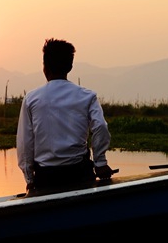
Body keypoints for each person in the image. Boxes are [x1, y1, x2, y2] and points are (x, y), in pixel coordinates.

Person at [16, 39, 112, 194]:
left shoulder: (31, 99)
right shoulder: (87, 96)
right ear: (70, 66)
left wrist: (30, 179)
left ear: (45, 67)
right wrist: (100, 162)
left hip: (45, 177)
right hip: (80, 174)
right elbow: (100, 127)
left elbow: (25, 143)